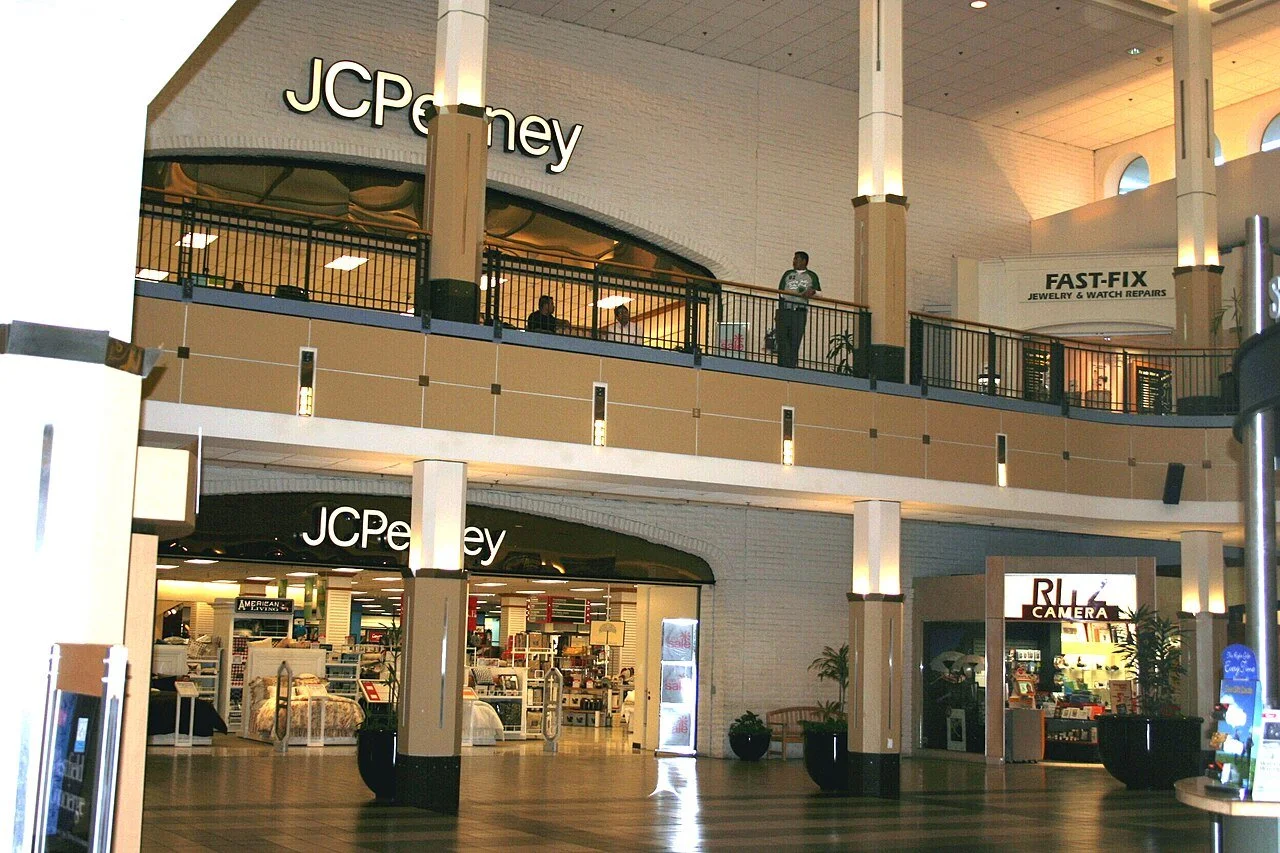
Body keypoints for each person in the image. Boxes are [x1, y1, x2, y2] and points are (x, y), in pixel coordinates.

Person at [775, 251, 820, 368]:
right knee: (782, 337)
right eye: (794, 259)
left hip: (799, 311)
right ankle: (782, 364)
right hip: (786, 308)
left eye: (796, 259)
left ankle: (790, 365)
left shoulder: (811, 275)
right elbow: (780, 292)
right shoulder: (787, 274)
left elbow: (819, 292)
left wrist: (812, 292)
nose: (794, 261)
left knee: (795, 338)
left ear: (804, 261)